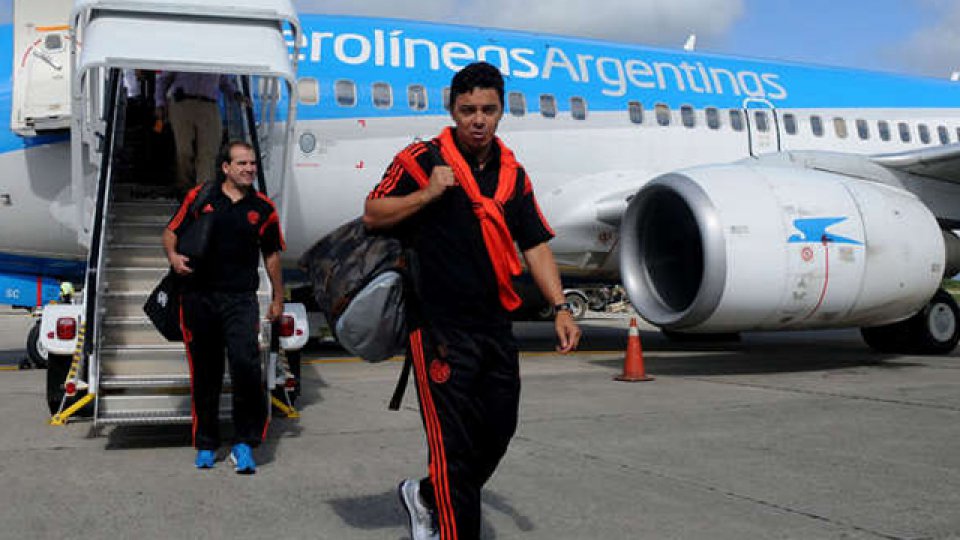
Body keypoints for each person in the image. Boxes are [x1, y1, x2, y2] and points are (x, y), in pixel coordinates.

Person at [363, 62, 581, 540]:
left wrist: (560, 307)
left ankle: (423, 496)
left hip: (495, 326)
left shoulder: (511, 174)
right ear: (451, 109)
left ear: (502, 111)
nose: (478, 120)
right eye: (468, 110)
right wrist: (427, 193)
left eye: (488, 110)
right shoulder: (420, 159)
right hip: (438, 327)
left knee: (498, 431)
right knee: (453, 449)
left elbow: (536, 244)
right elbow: (373, 212)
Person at [163, 140, 285, 474]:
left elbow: (272, 254)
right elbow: (170, 232)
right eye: (242, 163)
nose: (249, 169)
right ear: (226, 168)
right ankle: (206, 443)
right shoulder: (201, 197)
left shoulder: (263, 208)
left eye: (252, 164)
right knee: (206, 373)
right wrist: (173, 258)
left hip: (240, 300)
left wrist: (277, 297)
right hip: (198, 298)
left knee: (246, 368)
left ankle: (245, 443)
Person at [155, 71, 245, 192]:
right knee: (184, 150)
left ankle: (203, 190)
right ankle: (184, 186)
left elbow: (224, 82)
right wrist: (160, 103)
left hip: (209, 105)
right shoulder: (181, 54)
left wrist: (236, 94)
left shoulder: (219, 58)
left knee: (209, 151)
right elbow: (163, 80)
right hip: (182, 103)